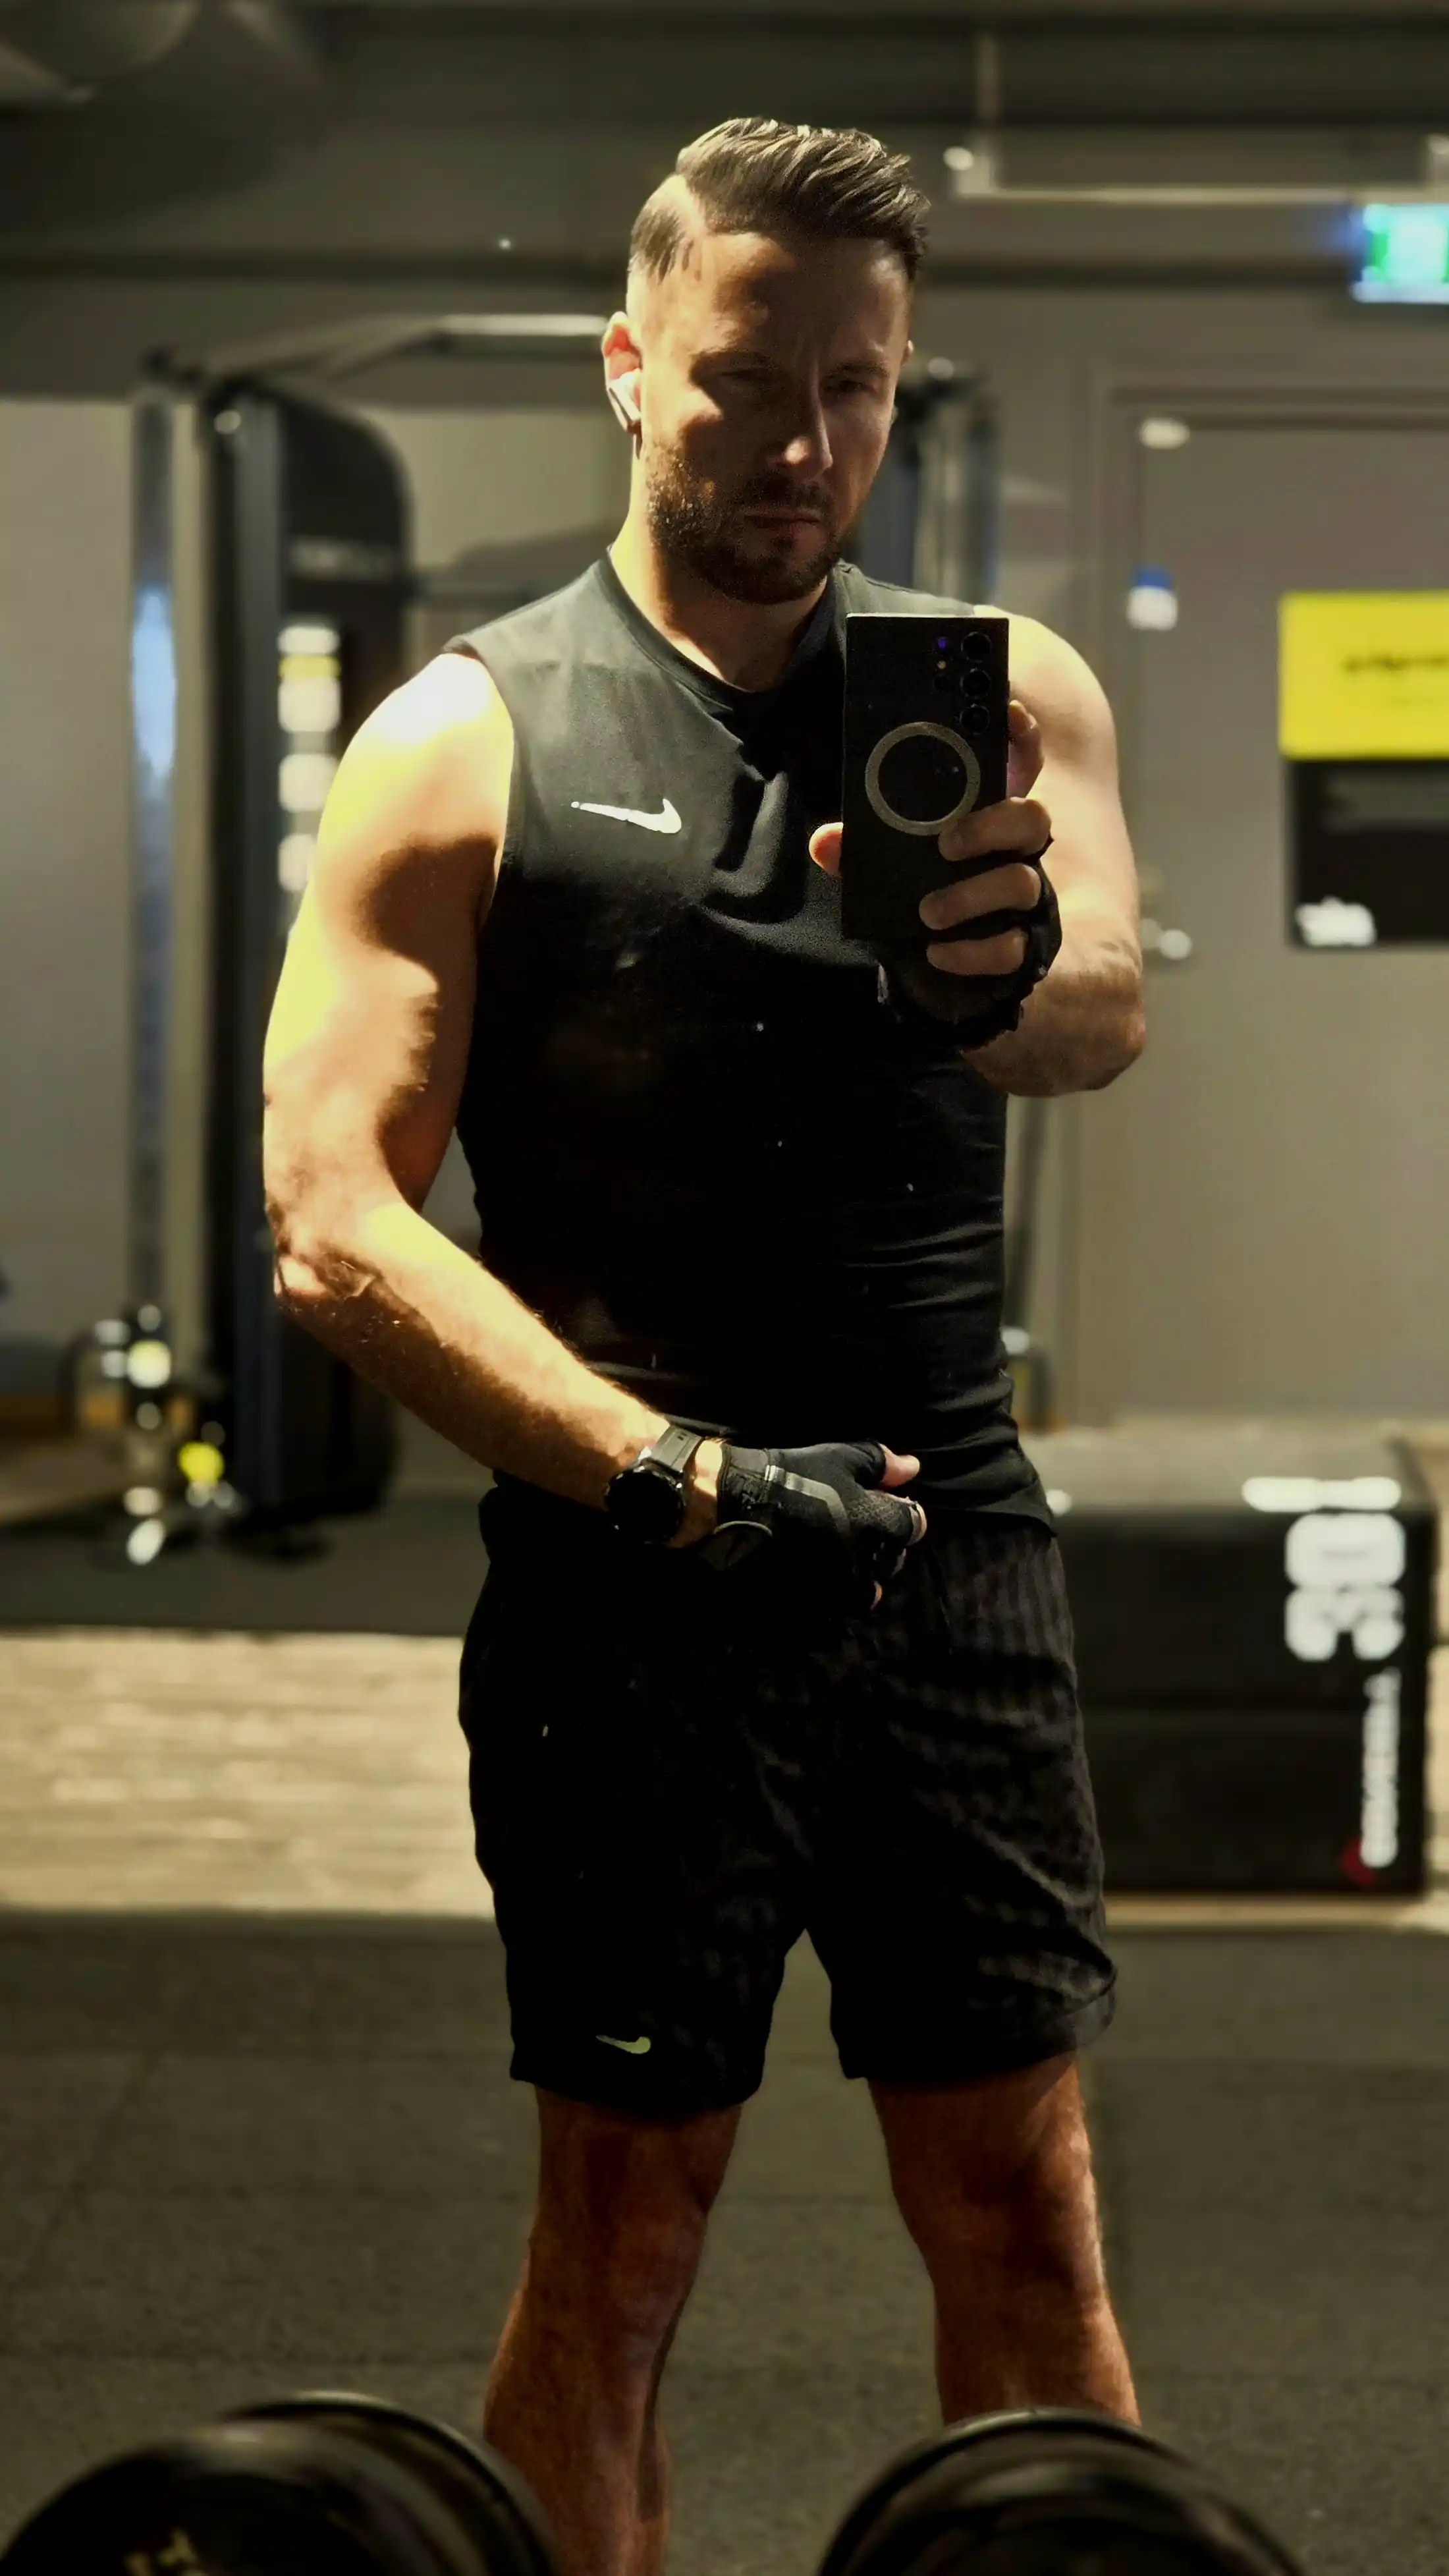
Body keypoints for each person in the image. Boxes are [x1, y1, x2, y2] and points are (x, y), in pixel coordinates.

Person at [263, 115, 1145, 2576]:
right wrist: (667, 1474)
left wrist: (983, 970)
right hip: (634, 1580)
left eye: (858, 388)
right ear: (630, 366)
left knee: (1024, 2199)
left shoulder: (1003, 695)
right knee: (628, 2230)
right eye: (749, 380)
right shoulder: (466, 737)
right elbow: (333, 1223)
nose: (806, 443)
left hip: (950, 1549)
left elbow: (1101, 1005)